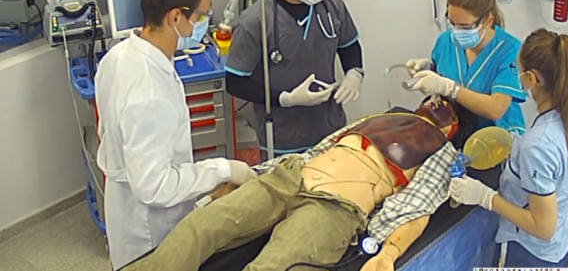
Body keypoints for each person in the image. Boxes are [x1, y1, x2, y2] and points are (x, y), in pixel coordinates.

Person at [120, 98, 476, 271]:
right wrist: (254, 175)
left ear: (451, 128)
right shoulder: (380, 117)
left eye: (446, 106)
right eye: (434, 98)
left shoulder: (441, 151)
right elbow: (318, 149)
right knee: (201, 226)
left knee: (275, 266)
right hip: (290, 176)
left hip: (334, 206)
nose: (437, 103)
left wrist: (388, 253)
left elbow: (418, 205)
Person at [95, 0, 257, 270]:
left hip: (127, 206)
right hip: (151, 227)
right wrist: (223, 169)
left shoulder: (119, 56)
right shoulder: (149, 91)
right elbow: (154, 186)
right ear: (174, 17)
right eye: (200, 17)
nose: (203, 26)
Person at [450, 29, 568, 267]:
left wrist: (486, 197)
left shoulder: (538, 146)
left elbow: (543, 227)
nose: (516, 75)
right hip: (560, 244)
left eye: (518, 70)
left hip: (528, 253)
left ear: (532, 79)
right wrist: (518, 145)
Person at [225, 0, 364, 154]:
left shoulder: (332, 7)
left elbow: (349, 46)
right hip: (282, 136)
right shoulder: (257, 20)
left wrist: (354, 73)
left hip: (330, 130)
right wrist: (286, 99)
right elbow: (235, 81)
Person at [406, 0, 527, 135]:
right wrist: (428, 70)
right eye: (452, 23)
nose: (456, 31)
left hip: (494, 137)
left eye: (465, 26)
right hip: (455, 130)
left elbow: (496, 109)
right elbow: (444, 72)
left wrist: (450, 88)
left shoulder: (510, 50)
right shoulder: (445, 41)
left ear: (488, 21)